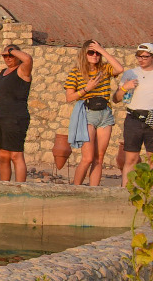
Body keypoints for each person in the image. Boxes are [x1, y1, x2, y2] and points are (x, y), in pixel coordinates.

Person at [64, 40, 123, 186]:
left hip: (105, 114)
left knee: (99, 157)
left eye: (97, 53)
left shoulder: (104, 69)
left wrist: (102, 50)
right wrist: (87, 89)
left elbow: (119, 69)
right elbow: (69, 97)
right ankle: (76, 189)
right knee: (88, 157)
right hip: (88, 113)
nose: (95, 55)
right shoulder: (76, 72)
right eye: (91, 52)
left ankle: (94, 190)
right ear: (85, 53)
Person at [0, 44, 33, 182]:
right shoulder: (2, 73)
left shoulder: (22, 71)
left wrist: (12, 50)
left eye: (11, 55)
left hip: (15, 118)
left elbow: (28, 59)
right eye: (5, 55)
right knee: (3, 156)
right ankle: (4, 187)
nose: (8, 58)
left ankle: (20, 188)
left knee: (15, 155)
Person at [115, 43, 153, 183]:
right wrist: (125, 88)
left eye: (145, 57)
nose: (141, 60)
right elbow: (116, 99)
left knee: (152, 159)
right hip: (133, 119)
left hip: (151, 118)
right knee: (131, 159)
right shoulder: (130, 73)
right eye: (138, 56)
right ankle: (125, 194)